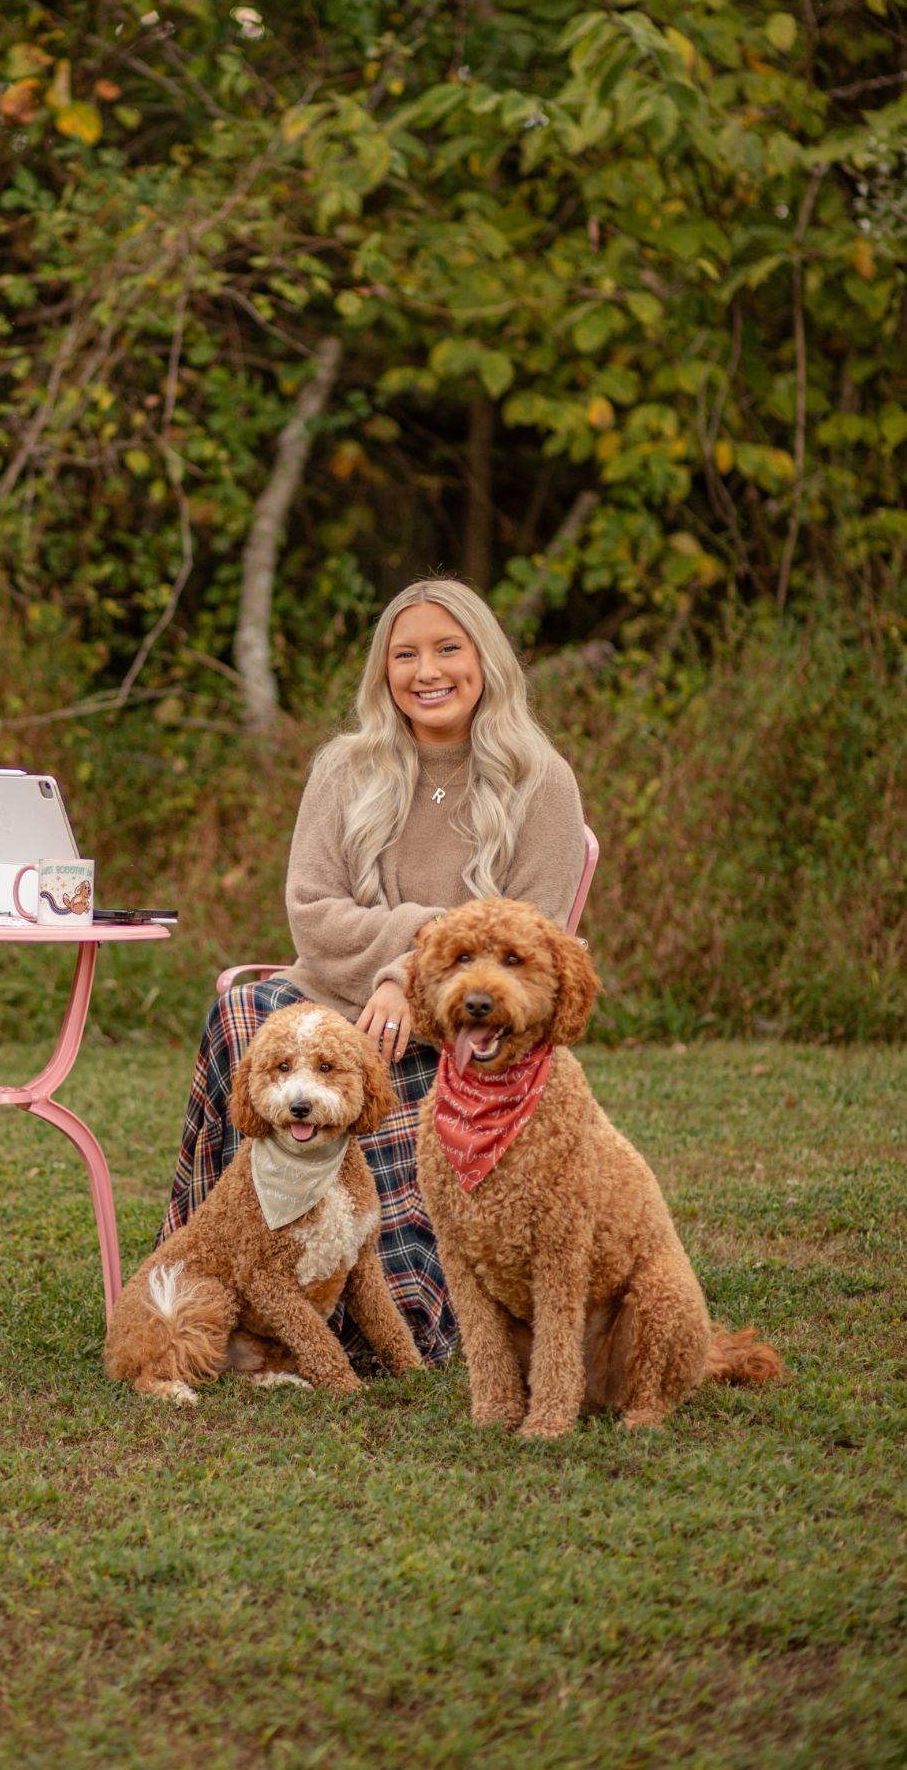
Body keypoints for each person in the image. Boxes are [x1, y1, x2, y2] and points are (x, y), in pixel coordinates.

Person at [156, 576, 587, 1366]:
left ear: (484, 659)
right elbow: (312, 913)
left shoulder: (540, 780)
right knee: (246, 1016)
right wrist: (413, 944)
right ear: (382, 672)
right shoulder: (345, 767)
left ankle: (392, 1308)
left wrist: (404, 981)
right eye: (405, 654)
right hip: (332, 986)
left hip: (468, 1017)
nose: (427, 670)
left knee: (388, 1049)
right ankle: (216, 1286)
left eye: (447, 649)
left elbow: (532, 942)